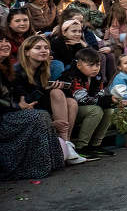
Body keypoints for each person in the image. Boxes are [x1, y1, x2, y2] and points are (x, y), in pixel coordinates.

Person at [0, 36, 65, 180]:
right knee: (39, 116)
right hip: (5, 117)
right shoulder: (17, 70)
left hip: (12, 112)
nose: (5, 44)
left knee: (44, 112)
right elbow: (14, 101)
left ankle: (56, 157)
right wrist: (18, 106)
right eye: (38, 48)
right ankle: (36, 167)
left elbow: (26, 99)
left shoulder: (10, 67)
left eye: (6, 41)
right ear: (27, 52)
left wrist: (44, 90)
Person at [61, 48, 116, 158]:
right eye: (91, 65)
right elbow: (82, 99)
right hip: (70, 111)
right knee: (96, 110)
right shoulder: (72, 76)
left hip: (85, 108)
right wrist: (108, 100)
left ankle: (96, 145)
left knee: (109, 110)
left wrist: (110, 101)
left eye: (98, 65)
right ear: (79, 65)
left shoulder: (97, 76)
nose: (95, 68)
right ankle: (81, 146)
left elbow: (99, 94)